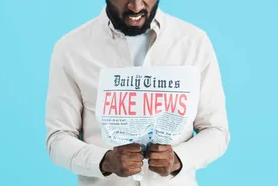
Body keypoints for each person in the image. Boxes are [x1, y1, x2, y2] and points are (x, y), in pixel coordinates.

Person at [44, 0, 230, 185]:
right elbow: (58, 138)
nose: (136, 7)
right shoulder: (71, 48)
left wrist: (179, 159)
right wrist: (105, 161)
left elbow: (216, 130)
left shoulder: (194, 42)